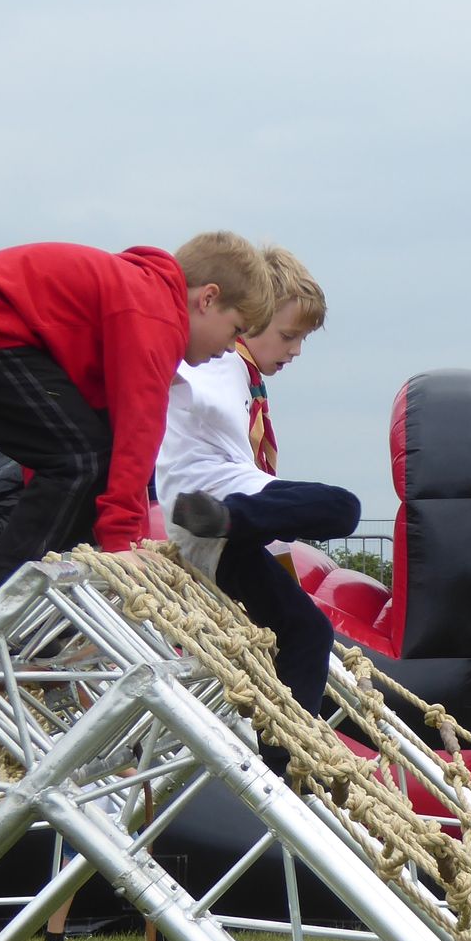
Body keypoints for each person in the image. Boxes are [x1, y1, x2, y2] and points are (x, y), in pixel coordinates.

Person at [0, 233, 277, 633]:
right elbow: (139, 430)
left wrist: (132, 543)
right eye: (235, 329)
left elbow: (95, 441)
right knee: (81, 461)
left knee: (83, 461)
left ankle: (32, 606)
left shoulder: (137, 302)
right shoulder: (155, 316)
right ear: (207, 299)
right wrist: (119, 543)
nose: (230, 347)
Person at [157, 245, 360, 723]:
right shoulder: (214, 363)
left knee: (308, 631)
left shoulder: (243, 379)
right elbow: (176, 369)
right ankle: (228, 518)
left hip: (222, 535)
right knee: (344, 507)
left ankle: (288, 762)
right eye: (288, 335)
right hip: (207, 500)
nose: (295, 350)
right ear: (247, 321)